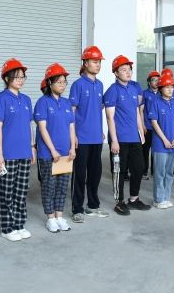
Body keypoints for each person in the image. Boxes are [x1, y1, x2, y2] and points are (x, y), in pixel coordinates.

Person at [0, 58, 35, 242]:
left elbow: (29, 125)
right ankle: (7, 227)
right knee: (6, 191)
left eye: (22, 76)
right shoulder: (2, 98)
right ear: (6, 78)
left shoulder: (26, 100)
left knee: (21, 190)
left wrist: (32, 147)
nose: (20, 80)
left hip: (24, 152)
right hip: (8, 154)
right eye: (16, 77)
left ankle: (19, 224)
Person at [104, 55, 151, 215]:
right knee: (119, 171)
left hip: (134, 137)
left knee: (139, 168)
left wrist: (141, 131)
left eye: (129, 69)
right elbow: (110, 118)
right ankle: (119, 202)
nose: (128, 72)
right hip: (120, 139)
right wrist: (114, 140)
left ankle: (134, 199)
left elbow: (136, 112)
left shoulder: (133, 89)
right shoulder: (112, 90)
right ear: (116, 73)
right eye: (123, 70)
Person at [34, 63, 76, 233]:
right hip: (48, 154)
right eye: (59, 82)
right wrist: (52, 150)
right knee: (49, 186)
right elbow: (42, 128)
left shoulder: (66, 103)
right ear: (50, 83)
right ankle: (50, 218)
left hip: (66, 154)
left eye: (64, 82)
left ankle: (59, 216)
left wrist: (72, 148)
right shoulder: (42, 102)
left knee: (62, 187)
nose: (62, 85)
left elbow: (71, 127)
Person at [69, 46, 109, 223]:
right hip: (81, 138)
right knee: (80, 175)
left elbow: (97, 109)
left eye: (99, 62)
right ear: (85, 63)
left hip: (96, 137)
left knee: (95, 173)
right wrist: (73, 136)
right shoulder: (78, 85)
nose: (98, 65)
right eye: (94, 61)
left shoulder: (99, 85)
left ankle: (92, 205)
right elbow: (72, 111)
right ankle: (77, 209)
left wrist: (100, 131)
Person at [148, 74, 174, 209]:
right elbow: (154, 123)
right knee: (160, 173)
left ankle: (166, 197)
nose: (170, 89)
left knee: (169, 172)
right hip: (160, 144)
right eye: (167, 87)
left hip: (173, 144)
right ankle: (158, 199)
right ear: (161, 88)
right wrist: (164, 139)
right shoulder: (155, 103)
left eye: (172, 87)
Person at [141, 70, 160, 180]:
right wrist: (142, 125)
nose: (156, 82)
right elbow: (141, 110)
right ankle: (144, 172)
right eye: (154, 80)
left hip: (158, 128)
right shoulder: (145, 93)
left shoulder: (161, 93)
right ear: (149, 82)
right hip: (147, 126)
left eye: (158, 80)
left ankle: (154, 171)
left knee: (155, 150)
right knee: (145, 150)